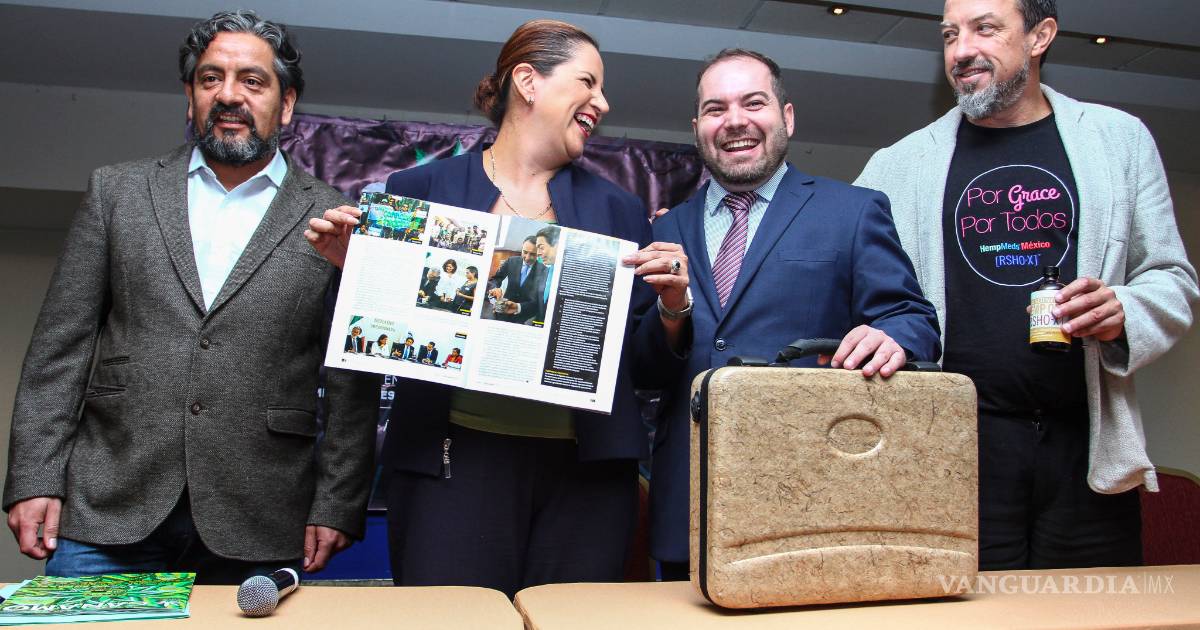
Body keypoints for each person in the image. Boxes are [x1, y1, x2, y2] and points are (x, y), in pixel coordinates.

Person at [306, 19, 689, 597]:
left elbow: (645, 366)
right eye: (588, 82)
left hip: (585, 483)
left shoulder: (620, 212)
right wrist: (354, 270)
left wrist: (672, 309)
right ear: (529, 82)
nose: (603, 102)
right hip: (450, 470)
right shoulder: (420, 190)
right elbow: (370, 346)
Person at [2, 10, 377, 584]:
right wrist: (34, 477)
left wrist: (337, 502)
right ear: (190, 96)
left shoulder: (337, 219)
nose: (229, 95)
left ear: (286, 103)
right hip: (107, 506)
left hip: (261, 512)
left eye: (252, 81)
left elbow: (352, 379)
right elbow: (60, 349)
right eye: (210, 78)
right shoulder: (117, 192)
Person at [854, 0, 1198, 570]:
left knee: (1092, 607)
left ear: (1040, 36)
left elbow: (1172, 277)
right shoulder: (898, 165)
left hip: (1086, 447)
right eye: (950, 35)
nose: (962, 50)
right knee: (967, 610)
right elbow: (850, 285)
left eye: (985, 29)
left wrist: (1123, 310)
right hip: (952, 450)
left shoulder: (1118, 141)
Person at [647, 48, 941, 579]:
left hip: (811, 494)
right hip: (689, 500)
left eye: (753, 103)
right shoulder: (667, 230)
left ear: (787, 116)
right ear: (697, 129)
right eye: (715, 109)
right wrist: (671, 314)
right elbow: (646, 368)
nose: (734, 120)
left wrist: (893, 337)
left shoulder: (853, 211)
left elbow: (912, 318)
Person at [488, 235, 543, 323]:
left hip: (523, 315)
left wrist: (518, 307)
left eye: (533, 254)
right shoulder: (511, 261)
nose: (527, 257)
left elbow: (539, 301)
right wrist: (494, 288)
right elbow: (495, 279)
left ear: (539, 253)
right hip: (502, 308)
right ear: (522, 248)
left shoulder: (544, 270)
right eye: (525, 252)